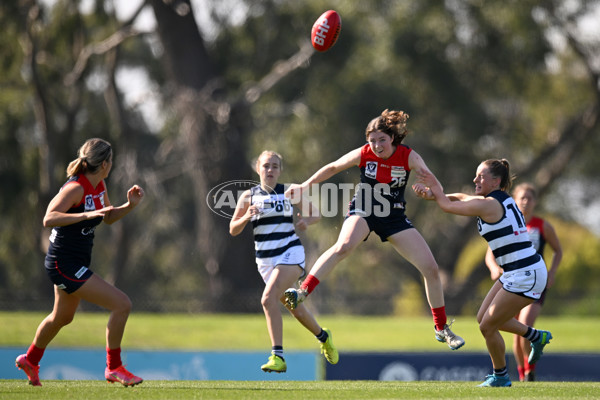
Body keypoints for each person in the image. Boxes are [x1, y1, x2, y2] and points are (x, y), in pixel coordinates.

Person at [283, 109, 465, 350]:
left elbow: (434, 184)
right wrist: (305, 186)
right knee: (344, 246)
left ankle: (441, 328)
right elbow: (333, 167)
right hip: (364, 209)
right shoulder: (364, 153)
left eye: (382, 140)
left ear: (392, 138)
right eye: (372, 140)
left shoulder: (408, 156)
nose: (377, 145)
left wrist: (431, 193)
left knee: (431, 269)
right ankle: (302, 291)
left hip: (394, 218)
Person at [15, 138, 145, 387]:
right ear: (105, 163)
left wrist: (129, 205)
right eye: (112, 161)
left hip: (73, 261)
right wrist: (85, 214)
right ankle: (114, 367)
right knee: (122, 304)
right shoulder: (76, 188)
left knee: (62, 316)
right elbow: (49, 218)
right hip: (63, 263)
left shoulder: (100, 184)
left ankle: (30, 360)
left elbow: (106, 217)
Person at [413, 159, 553, 387]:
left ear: (496, 181)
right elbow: (460, 197)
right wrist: (435, 195)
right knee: (483, 319)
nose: (475, 180)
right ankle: (536, 336)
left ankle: (501, 377)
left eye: (481, 176)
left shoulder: (489, 205)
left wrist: (435, 189)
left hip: (526, 273)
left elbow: (448, 206)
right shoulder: (492, 201)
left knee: (487, 326)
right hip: (517, 271)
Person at [229, 150, 339, 373]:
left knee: (267, 299)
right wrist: (245, 216)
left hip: (290, 252)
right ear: (258, 168)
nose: (270, 170)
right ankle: (323, 336)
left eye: (275, 166)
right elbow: (233, 229)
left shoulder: (289, 192)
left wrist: (305, 222)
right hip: (265, 260)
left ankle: (277, 356)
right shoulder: (248, 196)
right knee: (293, 307)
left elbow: (315, 214)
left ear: (280, 170)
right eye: (266, 165)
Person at [485, 182, 562, 382]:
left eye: (530, 198)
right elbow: (490, 254)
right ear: (515, 200)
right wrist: (495, 269)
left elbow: (558, 250)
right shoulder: (507, 222)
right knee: (513, 332)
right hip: (512, 280)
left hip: (534, 280)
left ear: (535, 201)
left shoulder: (542, 225)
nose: (526, 201)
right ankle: (523, 375)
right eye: (522, 198)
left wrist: (552, 271)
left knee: (524, 324)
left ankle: (530, 370)